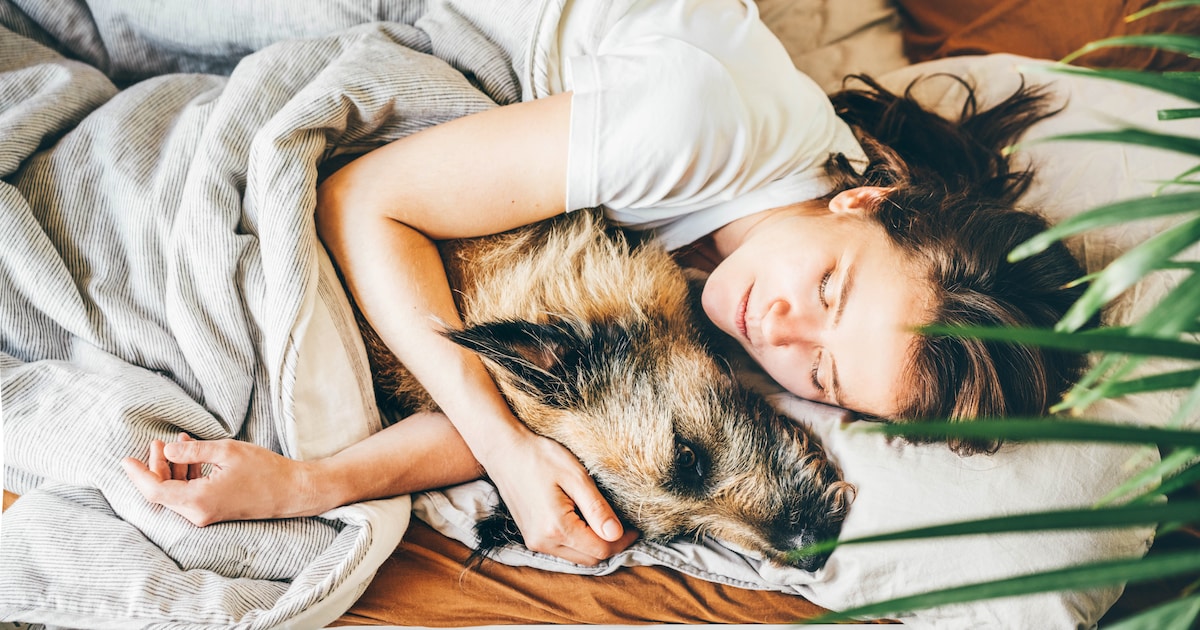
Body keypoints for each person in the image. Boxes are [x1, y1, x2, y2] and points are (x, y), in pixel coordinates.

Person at [121, 0, 1086, 566]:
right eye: (832, 292)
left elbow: (576, 404)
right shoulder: (691, 126)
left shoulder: (755, 289)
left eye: (825, 376)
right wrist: (504, 450)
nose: (784, 331)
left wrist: (308, 485)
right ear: (866, 202)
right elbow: (362, 202)